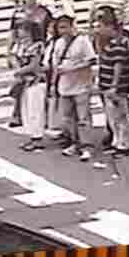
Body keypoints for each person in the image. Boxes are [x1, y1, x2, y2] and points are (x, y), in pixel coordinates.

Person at [51, 15, 97, 162]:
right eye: (60, 28)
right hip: (64, 85)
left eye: (65, 27)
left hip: (81, 84)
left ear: (72, 27)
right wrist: (53, 83)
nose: (63, 31)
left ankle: (86, 146)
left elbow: (91, 60)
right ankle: (74, 142)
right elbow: (55, 65)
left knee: (83, 117)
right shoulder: (58, 43)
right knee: (67, 117)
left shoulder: (83, 41)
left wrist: (73, 68)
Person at [96, 9, 129, 156]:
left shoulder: (119, 43)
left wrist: (114, 85)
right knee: (112, 117)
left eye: (100, 26)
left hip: (116, 87)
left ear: (110, 27)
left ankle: (124, 145)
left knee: (121, 117)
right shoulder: (107, 43)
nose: (98, 30)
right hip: (106, 85)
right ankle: (116, 141)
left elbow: (118, 66)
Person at [13, 20, 47, 152]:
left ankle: (37, 138)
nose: (19, 32)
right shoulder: (20, 45)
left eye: (22, 29)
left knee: (35, 109)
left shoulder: (37, 46)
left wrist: (20, 71)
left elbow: (35, 64)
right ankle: (31, 135)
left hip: (36, 81)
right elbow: (14, 58)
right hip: (24, 81)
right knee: (25, 109)